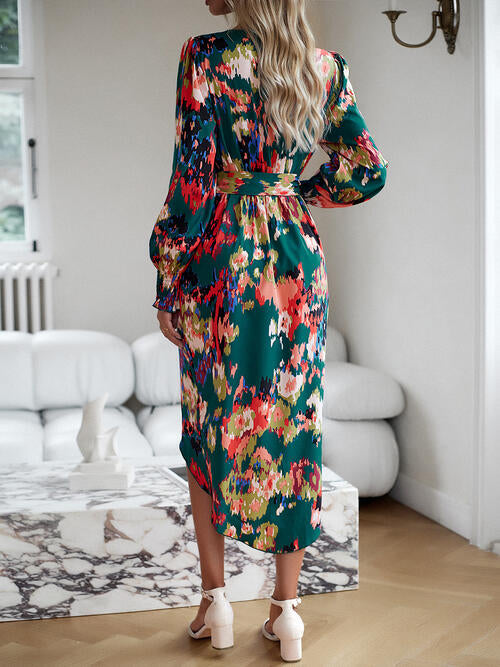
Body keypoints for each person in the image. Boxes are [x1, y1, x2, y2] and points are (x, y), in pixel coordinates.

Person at [149, 0, 388, 661]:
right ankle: (287, 614)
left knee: (209, 424)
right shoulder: (325, 69)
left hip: (222, 262)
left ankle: (216, 603)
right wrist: (297, 192)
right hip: (295, 264)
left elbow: (191, 181)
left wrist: (169, 277)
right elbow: (367, 167)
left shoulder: (206, 57)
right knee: (293, 427)